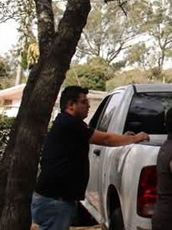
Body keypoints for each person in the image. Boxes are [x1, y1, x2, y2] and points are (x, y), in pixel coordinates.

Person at [32, 85, 149, 230]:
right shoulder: (69, 124)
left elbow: (102, 136)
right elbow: (105, 139)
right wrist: (136, 138)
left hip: (53, 198)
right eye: (83, 102)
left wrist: (123, 138)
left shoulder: (66, 123)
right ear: (70, 105)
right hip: (55, 201)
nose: (88, 106)